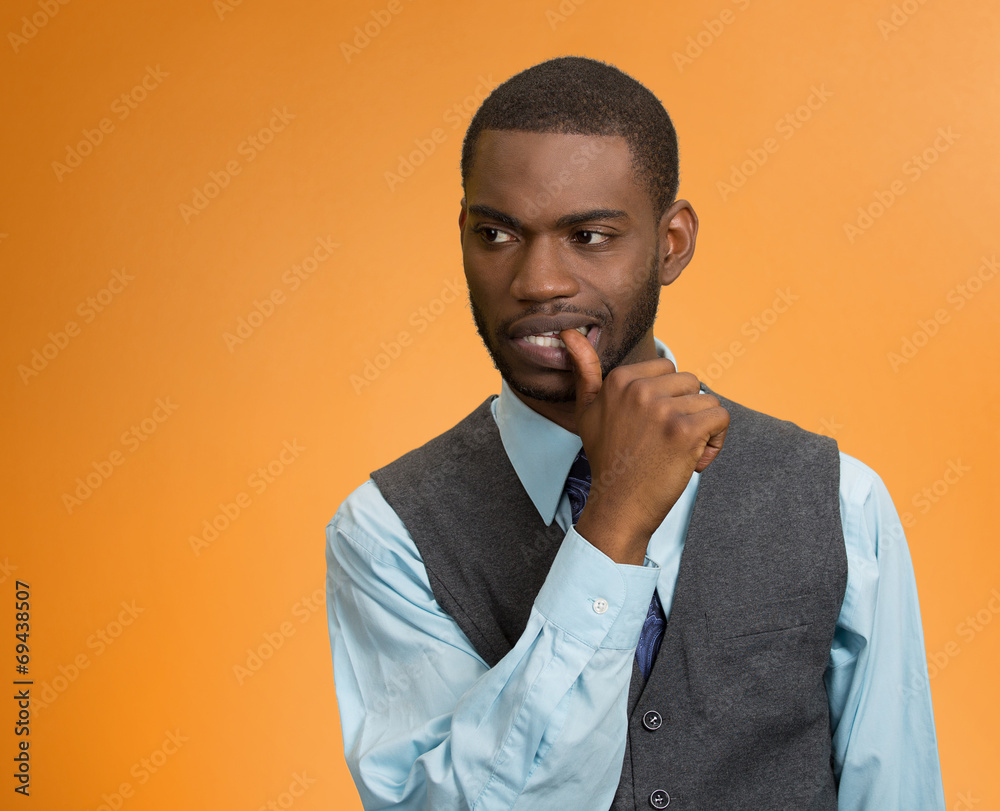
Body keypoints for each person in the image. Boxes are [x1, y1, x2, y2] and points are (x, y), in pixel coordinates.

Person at [326, 56, 945, 810]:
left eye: (587, 235)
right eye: (498, 233)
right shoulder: (387, 531)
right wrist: (610, 526)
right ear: (463, 236)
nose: (538, 281)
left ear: (672, 243)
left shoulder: (840, 501)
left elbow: (898, 792)